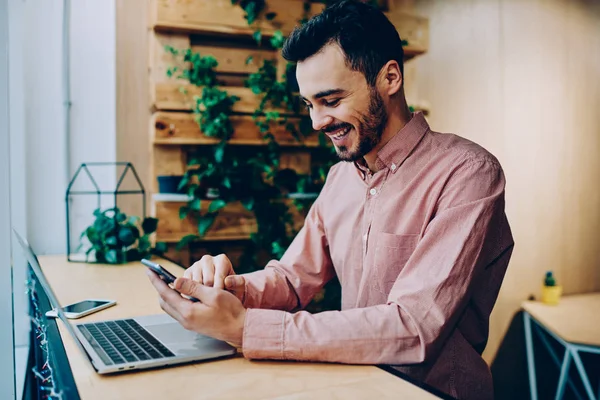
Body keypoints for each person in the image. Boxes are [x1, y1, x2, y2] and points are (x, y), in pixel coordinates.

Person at [146, 1, 514, 398]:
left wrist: (245, 328)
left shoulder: (469, 173)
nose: (317, 122)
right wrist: (230, 291)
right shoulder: (340, 178)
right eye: (309, 104)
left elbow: (413, 327)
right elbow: (291, 280)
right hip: (352, 385)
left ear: (390, 78)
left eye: (332, 101)